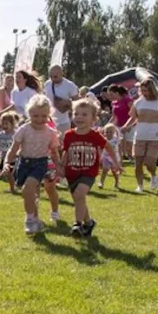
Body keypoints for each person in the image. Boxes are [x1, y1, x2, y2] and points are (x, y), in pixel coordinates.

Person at [0, 94, 64, 235]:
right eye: (36, 116)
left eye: (44, 116)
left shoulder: (51, 132)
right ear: (29, 114)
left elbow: (53, 152)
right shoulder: (23, 130)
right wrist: (7, 163)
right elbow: (13, 149)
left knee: (27, 189)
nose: (40, 120)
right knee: (30, 194)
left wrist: (58, 165)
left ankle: (29, 221)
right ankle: (35, 220)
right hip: (24, 163)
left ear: (49, 115)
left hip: (40, 163)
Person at [61, 98, 119, 237]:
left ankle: (77, 224)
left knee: (79, 194)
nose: (79, 117)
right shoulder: (69, 135)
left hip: (88, 172)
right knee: (78, 199)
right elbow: (66, 152)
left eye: (84, 114)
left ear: (94, 119)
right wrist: (61, 167)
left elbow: (109, 147)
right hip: (72, 172)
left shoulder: (95, 136)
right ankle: (89, 222)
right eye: (76, 114)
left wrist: (116, 163)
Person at [123, 77, 158, 193]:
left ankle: (153, 175)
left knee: (149, 162)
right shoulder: (138, 102)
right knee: (138, 163)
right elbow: (133, 118)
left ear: (152, 90)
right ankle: (140, 185)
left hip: (155, 136)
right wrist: (126, 126)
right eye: (142, 90)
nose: (144, 93)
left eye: (146, 90)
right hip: (140, 136)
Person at [43, 65, 79, 132]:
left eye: (55, 76)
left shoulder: (70, 85)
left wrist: (68, 102)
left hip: (63, 122)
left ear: (62, 73)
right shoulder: (47, 84)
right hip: (48, 121)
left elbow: (78, 103)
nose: (53, 79)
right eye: (51, 77)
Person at [98, 123, 123, 190]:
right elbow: (100, 148)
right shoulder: (103, 139)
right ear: (104, 132)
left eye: (111, 132)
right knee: (105, 169)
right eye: (107, 132)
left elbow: (118, 134)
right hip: (106, 157)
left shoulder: (116, 139)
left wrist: (120, 158)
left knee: (114, 172)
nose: (109, 133)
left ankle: (117, 182)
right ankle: (101, 182)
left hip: (114, 158)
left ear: (114, 132)